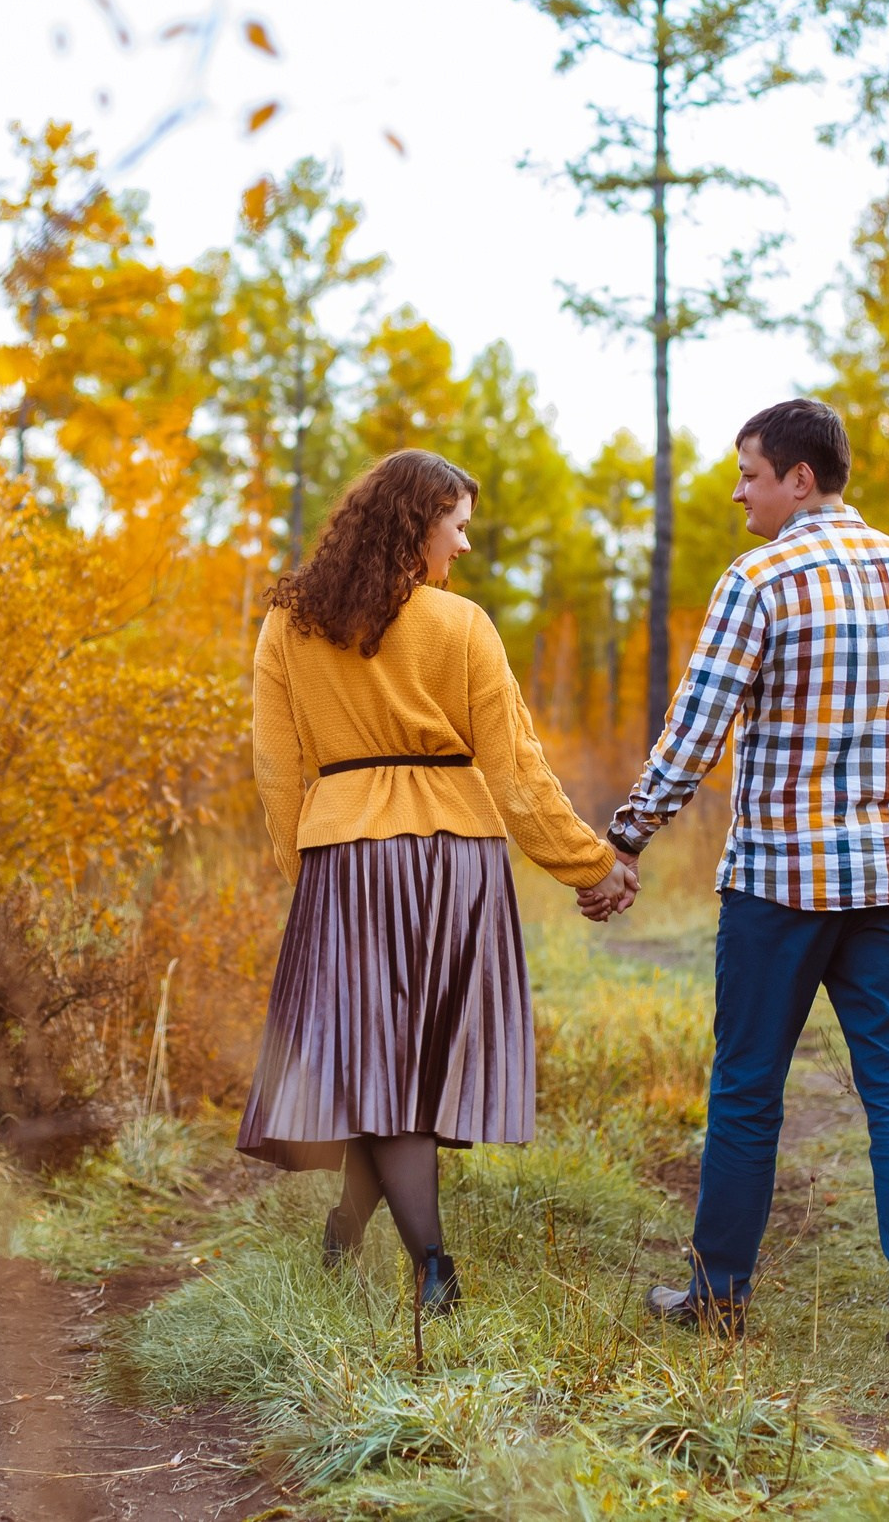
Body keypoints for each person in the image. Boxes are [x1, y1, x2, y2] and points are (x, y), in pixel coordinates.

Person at [594, 399, 889, 1345]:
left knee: (748, 1086)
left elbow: (697, 729)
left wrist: (628, 836)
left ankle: (718, 1295)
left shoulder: (759, 580)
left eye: (750, 473)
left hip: (779, 884)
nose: (739, 492)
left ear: (801, 479)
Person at [239, 449, 638, 1315]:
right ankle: (431, 1268)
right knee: (406, 1066)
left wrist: (306, 870)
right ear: (414, 524)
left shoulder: (289, 625)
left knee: (378, 1061)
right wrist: (593, 864)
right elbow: (517, 774)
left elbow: (275, 768)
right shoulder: (463, 626)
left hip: (349, 862)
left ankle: (351, 1231)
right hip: (453, 862)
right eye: (455, 526)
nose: (462, 546)